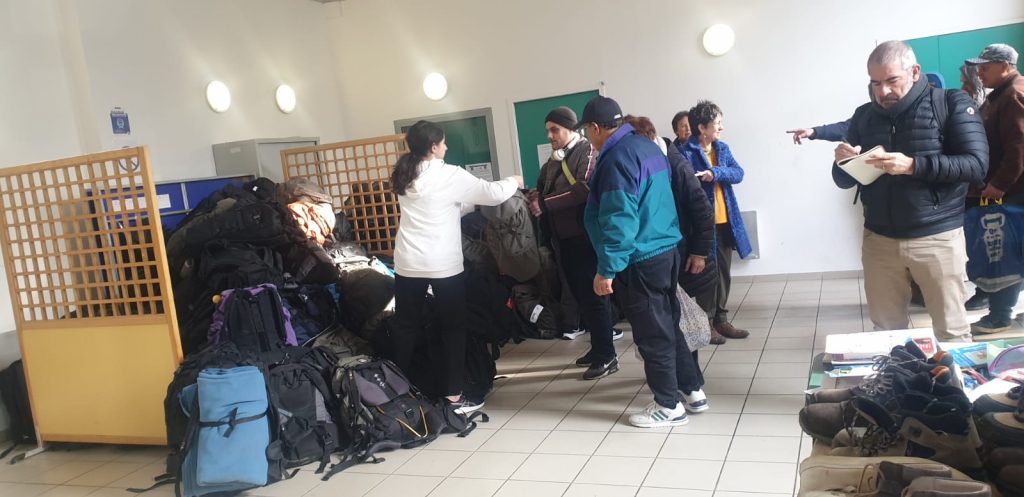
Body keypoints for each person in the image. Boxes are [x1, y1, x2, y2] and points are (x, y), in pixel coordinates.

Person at [832, 41, 988, 341]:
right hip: (878, 241)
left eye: (892, 80)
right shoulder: (864, 115)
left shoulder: (950, 103)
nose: (883, 91)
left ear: (915, 72)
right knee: (885, 334)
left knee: (952, 334)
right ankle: (897, 374)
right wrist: (842, 163)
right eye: (875, 83)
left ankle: (950, 375)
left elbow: (976, 165)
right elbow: (843, 181)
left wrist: (913, 165)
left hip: (938, 238)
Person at [578, 96, 708, 428]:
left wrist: (607, 269)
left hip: (641, 258)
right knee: (669, 324)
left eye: (587, 131)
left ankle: (668, 406)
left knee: (653, 335)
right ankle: (691, 390)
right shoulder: (646, 146)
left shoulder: (616, 159)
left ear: (595, 128)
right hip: (666, 250)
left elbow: (620, 219)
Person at [389, 120, 523, 413]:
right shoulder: (449, 174)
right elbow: (493, 193)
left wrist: (466, 204)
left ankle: (397, 393)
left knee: (405, 327)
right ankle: (453, 397)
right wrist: (514, 180)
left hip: (408, 262)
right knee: (453, 327)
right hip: (442, 265)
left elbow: (439, 206)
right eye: (443, 143)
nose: (446, 147)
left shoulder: (403, 173)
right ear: (433, 147)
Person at [529, 106, 622, 379]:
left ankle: (607, 356)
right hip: (563, 239)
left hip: (586, 238)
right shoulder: (553, 160)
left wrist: (544, 203)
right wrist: (534, 196)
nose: (550, 136)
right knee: (581, 296)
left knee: (595, 297)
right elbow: (545, 190)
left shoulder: (586, 151)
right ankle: (598, 348)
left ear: (571, 128)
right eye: (548, 131)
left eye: (554, 130)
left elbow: (584, 188)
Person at [679, 100, 752, 342]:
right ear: (702, 127)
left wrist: (715, 172)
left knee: (723, 273)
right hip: (701, 227)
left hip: (725, 221)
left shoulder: (722, 149)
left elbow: (738, 173)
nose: (721, 127)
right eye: (717, 123)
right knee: (705, 276)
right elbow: (683, 188)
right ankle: (706, 324)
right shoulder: (685, 153)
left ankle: (721, 320)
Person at [964, 43, 1024, 333]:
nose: (980, 72)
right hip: (1007, 190)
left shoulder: (1014, 94)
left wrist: (999, 184)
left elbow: (1019, 147)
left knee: (1004, 254)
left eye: (985, 67)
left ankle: (1000, 316)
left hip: (1011, 193)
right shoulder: (1000, 93)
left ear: (1005, 66)